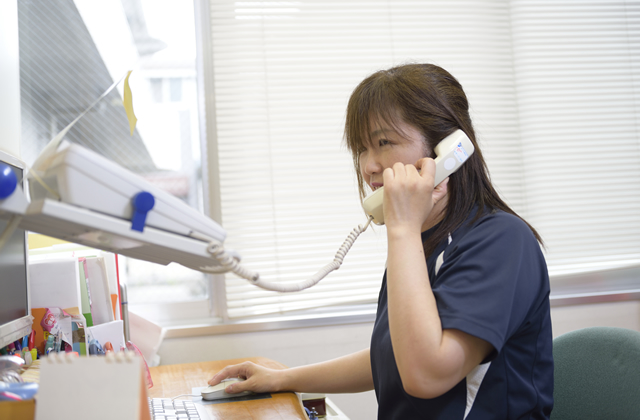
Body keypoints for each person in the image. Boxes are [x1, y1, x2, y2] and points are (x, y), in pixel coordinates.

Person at [208, 63, 554, 419]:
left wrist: (402, 230)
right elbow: (394, 357)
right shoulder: (421, 240)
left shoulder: (502, 242)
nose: (368, 165)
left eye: (383, 143)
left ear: (448, 150)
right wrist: (283, 379)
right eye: (361, 148)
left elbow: (425, 374)